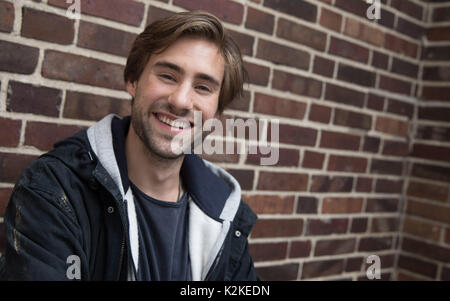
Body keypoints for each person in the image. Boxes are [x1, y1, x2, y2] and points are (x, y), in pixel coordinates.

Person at [0, 11, 259, 281]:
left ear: (217, 114)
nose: (181, 101)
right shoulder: (55, 191)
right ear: (133, 81)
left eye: (203, 87)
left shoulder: (226, 213)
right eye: (168, 76)